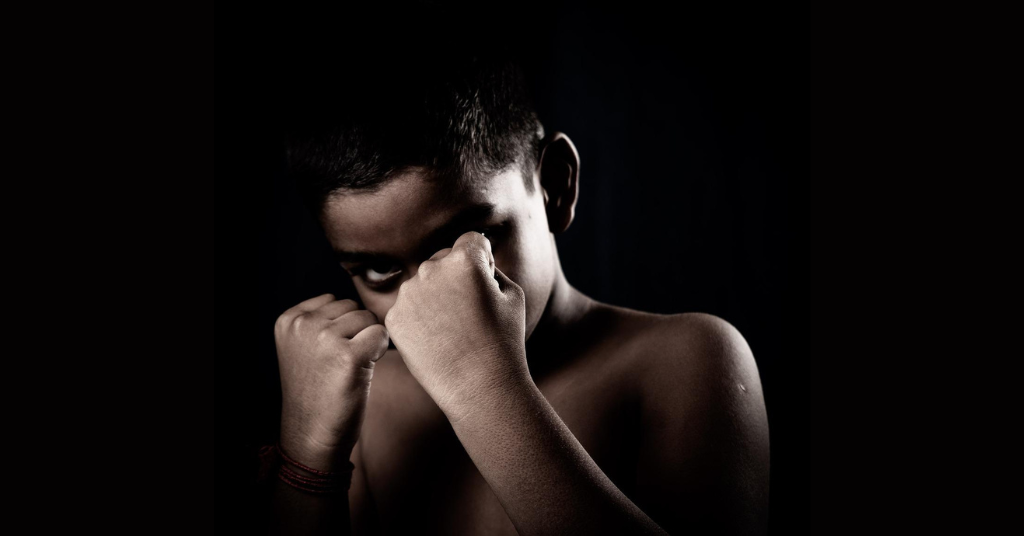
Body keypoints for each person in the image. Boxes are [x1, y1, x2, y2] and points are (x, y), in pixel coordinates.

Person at [257, 5, 770, 535]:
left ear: (554, 185)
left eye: (461, 243)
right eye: (379, 272)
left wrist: (482, 388)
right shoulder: (367, 399)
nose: (427, 296)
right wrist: (307, 455)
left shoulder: (682, 361)